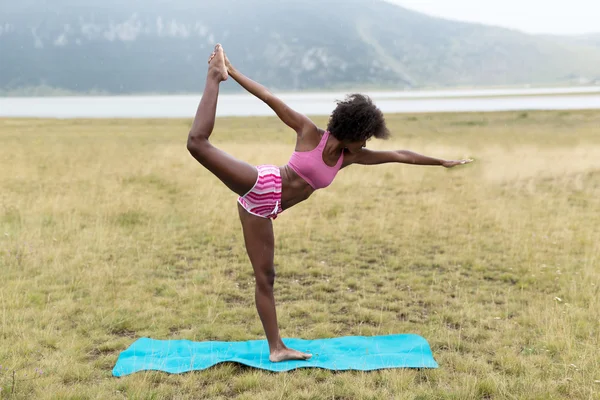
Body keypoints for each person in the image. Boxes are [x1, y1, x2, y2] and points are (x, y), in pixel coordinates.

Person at [186, 44, 473, 362]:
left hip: (261, 209)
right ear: (354, 129)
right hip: (262, 183)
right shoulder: (309, 132)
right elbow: (269, 97)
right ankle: (215, 76)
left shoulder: (350, 158)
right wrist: (233, 71)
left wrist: (442, 162)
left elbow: (400, 155)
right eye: (365, 136)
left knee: (266, 277)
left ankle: (277, 348)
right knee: (197, 144)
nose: (366, 144)